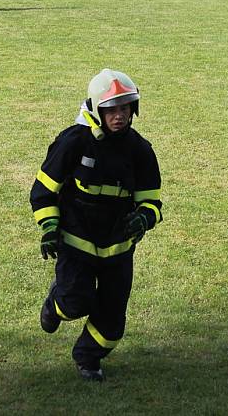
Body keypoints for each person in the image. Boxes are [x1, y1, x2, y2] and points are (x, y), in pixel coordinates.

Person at [30, 68, 163, 382]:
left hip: (118, 248)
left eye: (125, 108)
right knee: (75, 301)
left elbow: (152, 203)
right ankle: (55, 304)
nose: (119, 116)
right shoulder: (73, 142)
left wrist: (144, 218)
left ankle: (88, 358)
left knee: (113, 320)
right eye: (112, 109)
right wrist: (50, 227)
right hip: (76, 242)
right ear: (96, 109)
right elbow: (44, 190)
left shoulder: (140, 150)